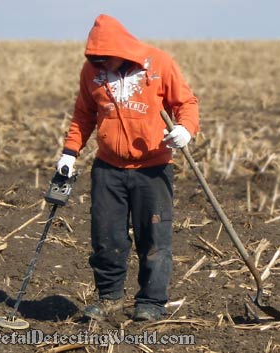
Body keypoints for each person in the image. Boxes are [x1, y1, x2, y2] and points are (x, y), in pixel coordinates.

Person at [56, 14, 199, 321]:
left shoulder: (159, 63)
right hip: (108, 168)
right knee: (107, 237)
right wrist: (69, 153)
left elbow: (186, 103)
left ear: (121, 51)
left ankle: (151, 302)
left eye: (105, 59)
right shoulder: (91, 71)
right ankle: (110, 299)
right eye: (95, 60)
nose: (100, 66)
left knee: (154, 239)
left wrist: (186, 128)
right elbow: (84, 114)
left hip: (153, 169)